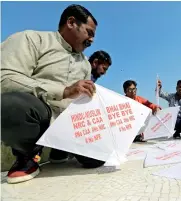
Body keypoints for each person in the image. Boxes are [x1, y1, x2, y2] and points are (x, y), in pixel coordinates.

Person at [1, 4, 101, 184]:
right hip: (38, 113)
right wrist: (63, 91)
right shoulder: (32, 39)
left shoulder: (85, 64)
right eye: (89, 32)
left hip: (69, 122)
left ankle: (61, 150)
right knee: (10, 105)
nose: (92, 40)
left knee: (97, 158)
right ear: (71, 22)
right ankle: (27, 155)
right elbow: (5, 78)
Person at [49, 50, 112, 166]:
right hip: (60, 112)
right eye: (104, 68)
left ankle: (59, 151)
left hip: (67, 115)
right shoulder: (81, 68)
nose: (104, 73)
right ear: (95, 63)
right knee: (96, 159)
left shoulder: (91, 75)